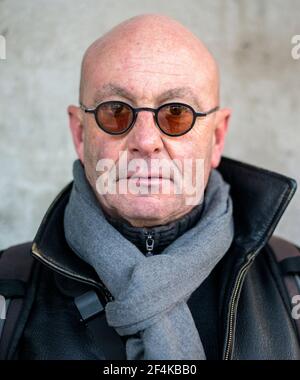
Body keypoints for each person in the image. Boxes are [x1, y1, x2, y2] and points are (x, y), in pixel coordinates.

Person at [0, 14, 299, 360]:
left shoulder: (292, 282)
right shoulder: (8, 293)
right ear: (80, 134)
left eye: (176, 112)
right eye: (116, 111)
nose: (145, 141)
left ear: (217, 137)